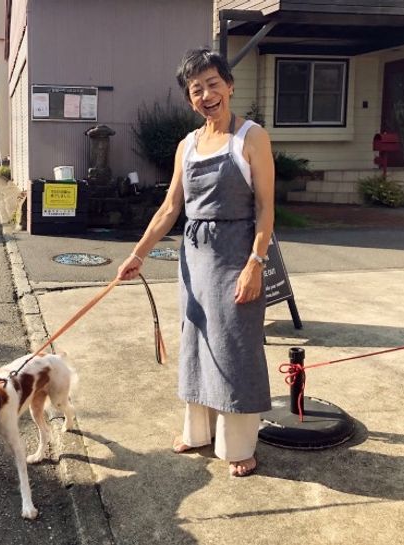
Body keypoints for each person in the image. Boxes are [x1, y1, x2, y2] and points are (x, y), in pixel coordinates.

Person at [116, 48, 275, 477]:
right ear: (190, 99)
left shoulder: (252, 137)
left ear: (229, 85)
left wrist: (255, 263)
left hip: (236, 252)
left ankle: (239, 445)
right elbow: (170, 207)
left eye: (212, 84)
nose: (206, 95)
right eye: (196, 89)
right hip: (194, 256)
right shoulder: (187, 145)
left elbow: (266, 208)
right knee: (196, 342)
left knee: (235, 347)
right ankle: (198, 432)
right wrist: (138, 254)